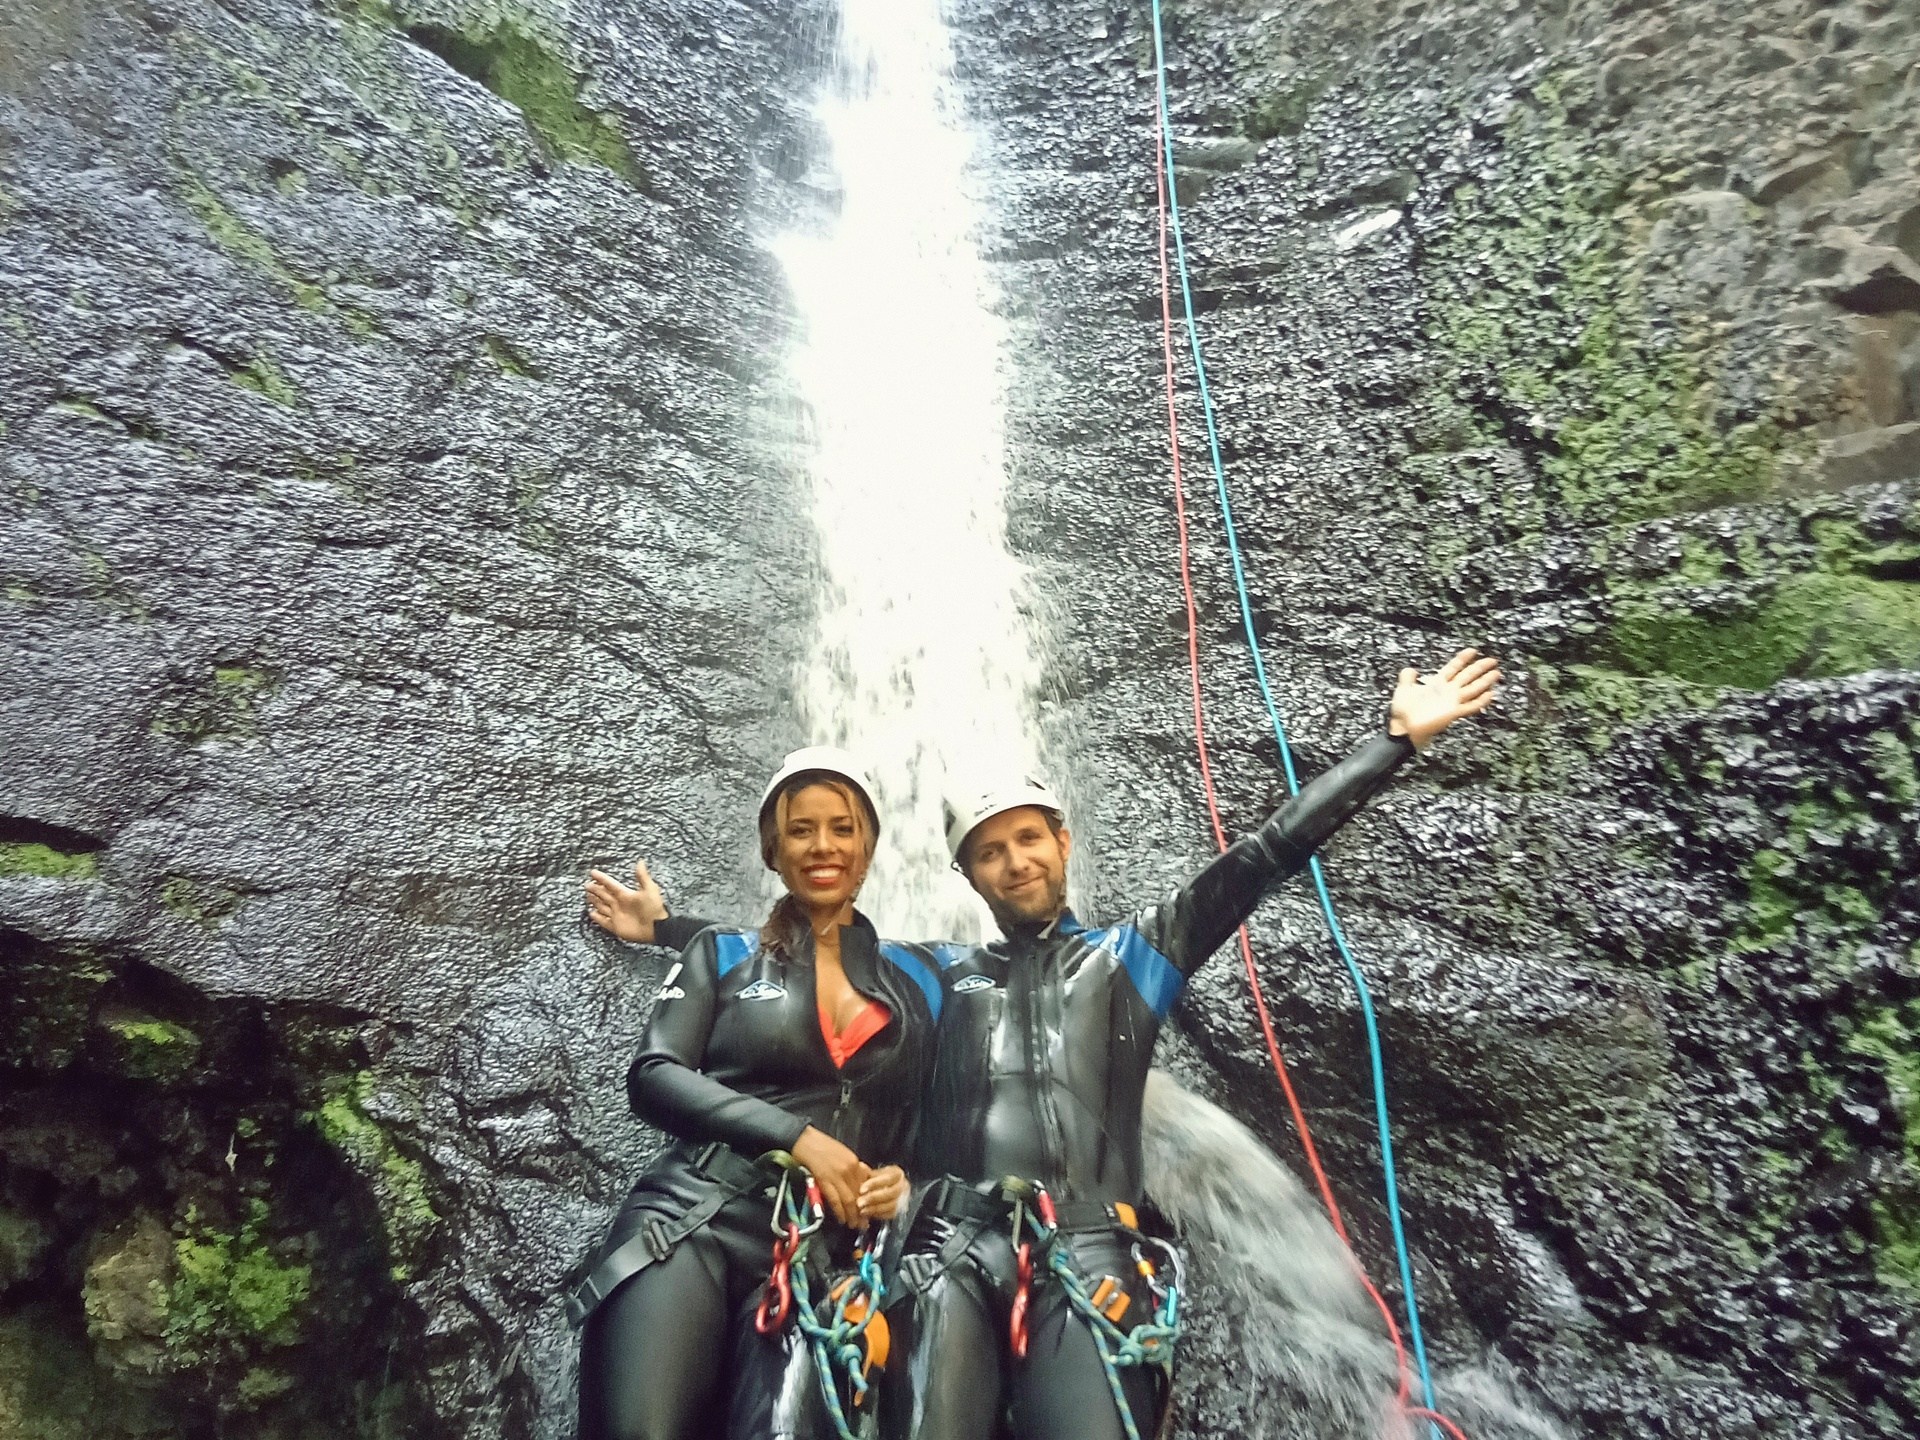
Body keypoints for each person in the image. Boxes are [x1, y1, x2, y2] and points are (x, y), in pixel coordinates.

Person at [602, 650, 1502, 1440]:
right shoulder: (936, 976)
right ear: (967, 874)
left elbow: (1264, 854)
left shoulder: (1136, 959)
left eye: (1028, 839)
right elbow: (807, 942)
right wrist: (671, 932)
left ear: (1061, 841)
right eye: (989, 852)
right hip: (942, 1245)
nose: (1015, 861)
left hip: (1086, 1248)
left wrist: (1395, 742)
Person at [573, 748, 945, 1440]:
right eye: (801, 830)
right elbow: (654, 1076)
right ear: (773, 851)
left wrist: (902, 1182)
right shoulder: (723, 955)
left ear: (868, 849)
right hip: (692, 1223)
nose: (823, 845)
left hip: (822, 1260)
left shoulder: (919, 979)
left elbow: (936, 1119)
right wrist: (800, 1140)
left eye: (842, 828)